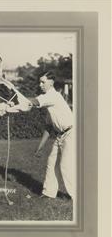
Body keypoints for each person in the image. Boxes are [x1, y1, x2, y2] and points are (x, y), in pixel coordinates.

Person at [29, 71, 75, 201]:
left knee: (65, 166)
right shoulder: (49, 101)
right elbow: (49, 127)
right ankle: (49, 193)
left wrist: (16, 99)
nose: (40, 84)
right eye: (40, 82)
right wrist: (40, 147)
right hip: (60, 135)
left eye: (43, 82)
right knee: (51, 163)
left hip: (71, 133)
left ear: (51, 83)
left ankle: (77, 196)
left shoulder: (52, 96)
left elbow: (35, 102)